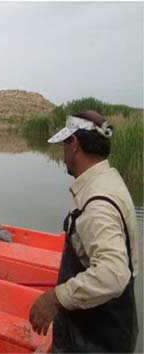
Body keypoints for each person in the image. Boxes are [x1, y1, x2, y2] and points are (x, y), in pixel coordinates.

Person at [29, 110, 139, 352]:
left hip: (96, 338)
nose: (63, 153)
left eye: (64, 145)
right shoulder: (108, 181)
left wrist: (55, 298)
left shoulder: (97, 204)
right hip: (102, 327)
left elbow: (112, 273)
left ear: (75, 144)